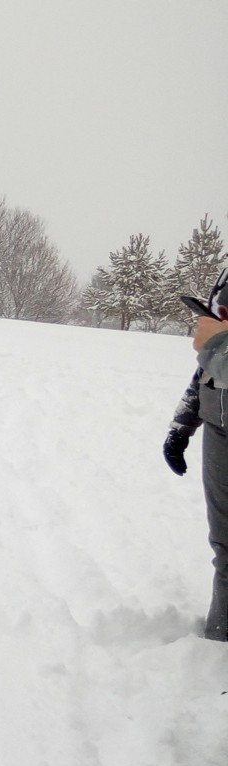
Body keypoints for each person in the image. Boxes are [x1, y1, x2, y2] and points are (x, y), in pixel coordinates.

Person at [162, 272, 228, 642]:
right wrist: (182, 425)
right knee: (225, 544)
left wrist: (216, 342)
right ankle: (219, 640)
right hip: (219, 428)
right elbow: (206, 370)